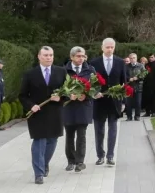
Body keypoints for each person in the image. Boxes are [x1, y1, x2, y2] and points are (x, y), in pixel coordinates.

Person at [21, 46, 65, 184]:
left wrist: (61, 98)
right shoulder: (30, 74)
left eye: (51, 55)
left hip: (55, 112)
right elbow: (22, 95)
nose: (49, 58)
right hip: (37, 113)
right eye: (45, 55)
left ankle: (45, 163)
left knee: (52, 141)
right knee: (39, 142)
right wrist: (31, 105)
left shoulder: (61, 72)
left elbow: (67, 93)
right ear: (39, 56)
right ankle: (38, 173)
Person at [93, 38, 127, 166]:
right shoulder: (94, 63)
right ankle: (100, 155)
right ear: (102, 47)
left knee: (113, 129)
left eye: (112, 47)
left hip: (115, 102)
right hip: (99, 101)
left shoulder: (120, 62)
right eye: (107, 47)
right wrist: (94, 93)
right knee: (99, 130)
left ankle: (110, 156)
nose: (110, 49)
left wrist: (123, 102)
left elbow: (124, 83)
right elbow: (91, 82)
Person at [62, 46, 96, 171]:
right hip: (69, 108)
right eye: (78, 56)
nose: (81, 58)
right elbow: (59, 89)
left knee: (82, 135)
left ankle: (80, 162)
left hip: (83, 107)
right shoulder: (64, 71)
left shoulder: (90, 70)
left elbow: (95, 87)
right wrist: (68, 95)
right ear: (72, 57)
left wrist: (86, 96)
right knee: (69, 135)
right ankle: (71, 161)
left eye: (83, 56)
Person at [125, 53, 145, 121]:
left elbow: (144, 74)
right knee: (128, 103)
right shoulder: (126, 66)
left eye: (134, 58)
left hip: (138, 86)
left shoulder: (141, 66)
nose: (132, 59)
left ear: (136, 58)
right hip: (129, 87)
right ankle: (129, 116)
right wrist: (128, 79)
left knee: (138, 102)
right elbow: (124, 76)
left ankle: (137, 116)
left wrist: (138, 77)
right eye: (131, 58)